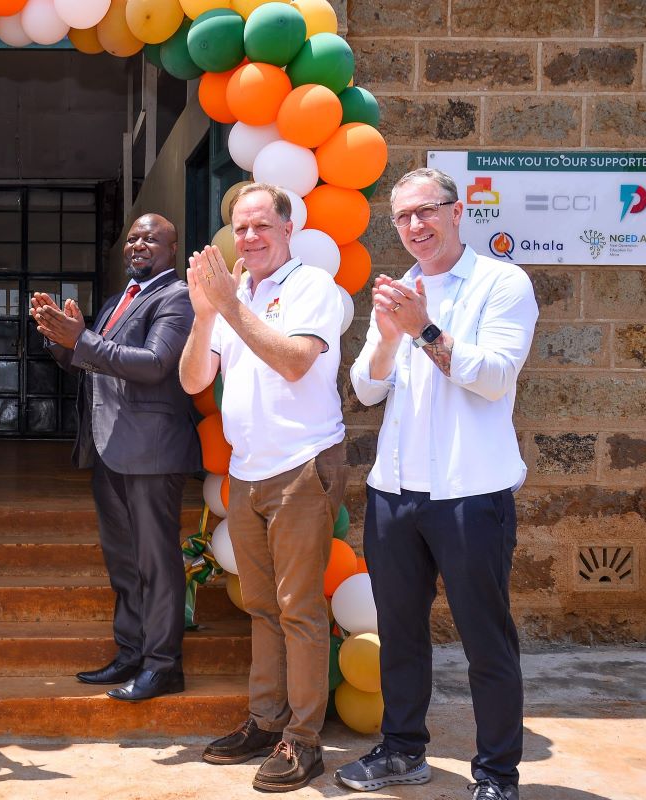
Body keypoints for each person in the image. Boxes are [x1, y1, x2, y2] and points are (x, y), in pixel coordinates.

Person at [335, 168, 538, 800]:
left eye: (428, 211)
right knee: (399, 631)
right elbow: (366, 389)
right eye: (403, 217)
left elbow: (495, 377)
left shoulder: (503, 283)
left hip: (471, 494)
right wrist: (391, 335)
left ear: (457, 213)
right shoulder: (398, 292)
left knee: (485, 638)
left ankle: (497, 774)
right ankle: (402, 751)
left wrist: (424, 329)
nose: (416, 226)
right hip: (395, 491)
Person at [178, 183, 345, 793]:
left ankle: (303, 742)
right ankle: (266, 720)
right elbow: (195, 376)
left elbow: (296, 361)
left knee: (300, 609)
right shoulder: (232, 298)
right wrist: (204, 315)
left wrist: (230, 306)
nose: (249, 239)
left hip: (302, 466)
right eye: (240, 229)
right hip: (248, 473)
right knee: (261, 607)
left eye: (261, 227)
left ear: (287, 228)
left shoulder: (312, 287)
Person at [30, 213, 200, 703]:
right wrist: (58, 339)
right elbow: (91, 361)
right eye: (132, 238)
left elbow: (154, 364)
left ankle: (164, 665)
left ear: (172, 248)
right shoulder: (117, 299)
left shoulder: (178, 298)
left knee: (157, 562)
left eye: (151, 239)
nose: (138, 245)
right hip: (109, 448)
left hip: (151, 451)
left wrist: (80, 339)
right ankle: (130, 652)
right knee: (124, 562)